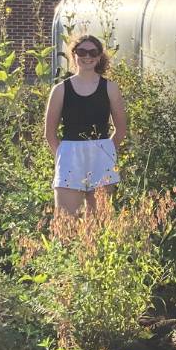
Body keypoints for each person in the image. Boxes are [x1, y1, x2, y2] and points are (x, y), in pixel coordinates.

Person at [46, 34, 128, 218]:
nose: (87, 56)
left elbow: (121, 129)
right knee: (66, 221)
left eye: (93, 52)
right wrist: (63, 155)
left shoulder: (110, 88)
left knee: (100, 221)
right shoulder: (60, 90)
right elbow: (50, 134)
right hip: (69, 157)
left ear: (99, 56)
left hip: (102, 157)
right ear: (74, 54)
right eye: (82, 51)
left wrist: (106, 151)